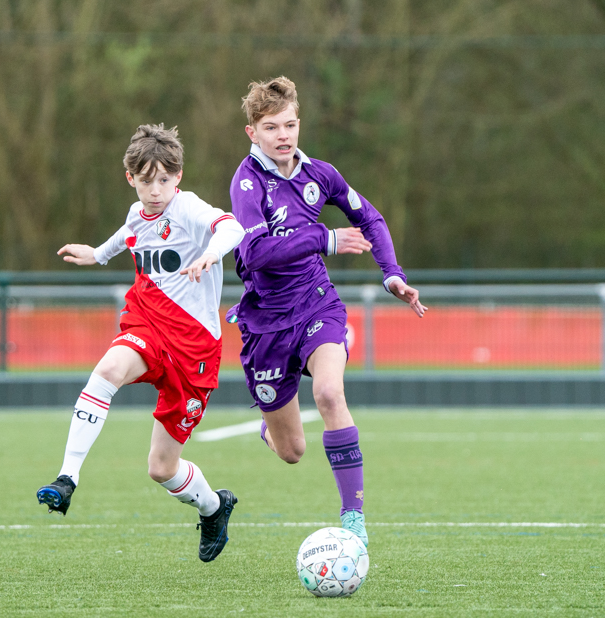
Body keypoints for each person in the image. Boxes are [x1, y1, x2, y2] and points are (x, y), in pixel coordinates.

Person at [227, 77, 427, 547]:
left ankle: (353, 517)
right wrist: (326, 238)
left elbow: (369, 217)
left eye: (291, 124)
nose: (284, 135)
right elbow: (254, 254)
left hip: (317, 304)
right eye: (271, 126)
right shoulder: (246, 184)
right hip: (265, 326)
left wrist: (391, 273)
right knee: (292, 451)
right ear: (252, 133)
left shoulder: (320, 174)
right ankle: (270, 427)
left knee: (331, 394)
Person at [36, 123, 245, 563]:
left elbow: (231, 228)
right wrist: (96, 253)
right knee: (108, 370)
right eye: (147, 181)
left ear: (179, 176)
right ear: (130, 178)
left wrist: (212, 252)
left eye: (165, 180)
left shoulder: (186, 208)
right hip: (147, 326)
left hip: (194, 350)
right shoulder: (137, 212)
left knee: (161, 469)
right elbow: (127, 236)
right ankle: (66, 478)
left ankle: (214, 507)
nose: (156, 190)